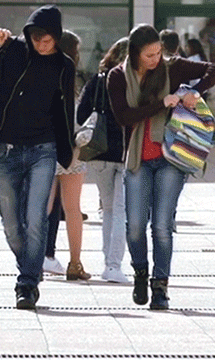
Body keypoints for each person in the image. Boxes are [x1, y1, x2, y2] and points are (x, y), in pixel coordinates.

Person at [108, 24, 215, 310]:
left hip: (171, 158)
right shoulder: (118, 76)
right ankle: (141, 272)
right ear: (135, 53)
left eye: (158, 52)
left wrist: (193, 91)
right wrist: (162, 103)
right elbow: (124, 116)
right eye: (149, 55)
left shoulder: (173, 67)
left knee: (161, 226)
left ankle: (160, 287)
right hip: (137, 158)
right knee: (134, 226)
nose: (155, 59)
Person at [0, 5, 77, 310]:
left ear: (57, 38)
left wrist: (67, 150)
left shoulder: (64, 65)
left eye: (48, 40)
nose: (42, 45)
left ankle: (27, 283)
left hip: (43, 149)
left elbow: (66, 110)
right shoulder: (13, 51)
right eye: (37, 39)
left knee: (36, 218)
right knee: (10, 222)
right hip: (6, 148)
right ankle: (29, 265)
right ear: (29, 35)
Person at [79, 37, 128, 283]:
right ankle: (113, 265)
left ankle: (109, 263)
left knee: (108, 209)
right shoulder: (135, 82)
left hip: (98, 151)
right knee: (120, 210)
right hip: (127, 153)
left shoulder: (97, 81)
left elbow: (80, 114)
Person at [46, 30, 90, 281]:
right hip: (73, 149)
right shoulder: (76, 80)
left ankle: (37, 258)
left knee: (44, 206)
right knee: (73, 209)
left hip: (48, 148)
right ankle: (75, 263)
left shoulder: (47, 73)